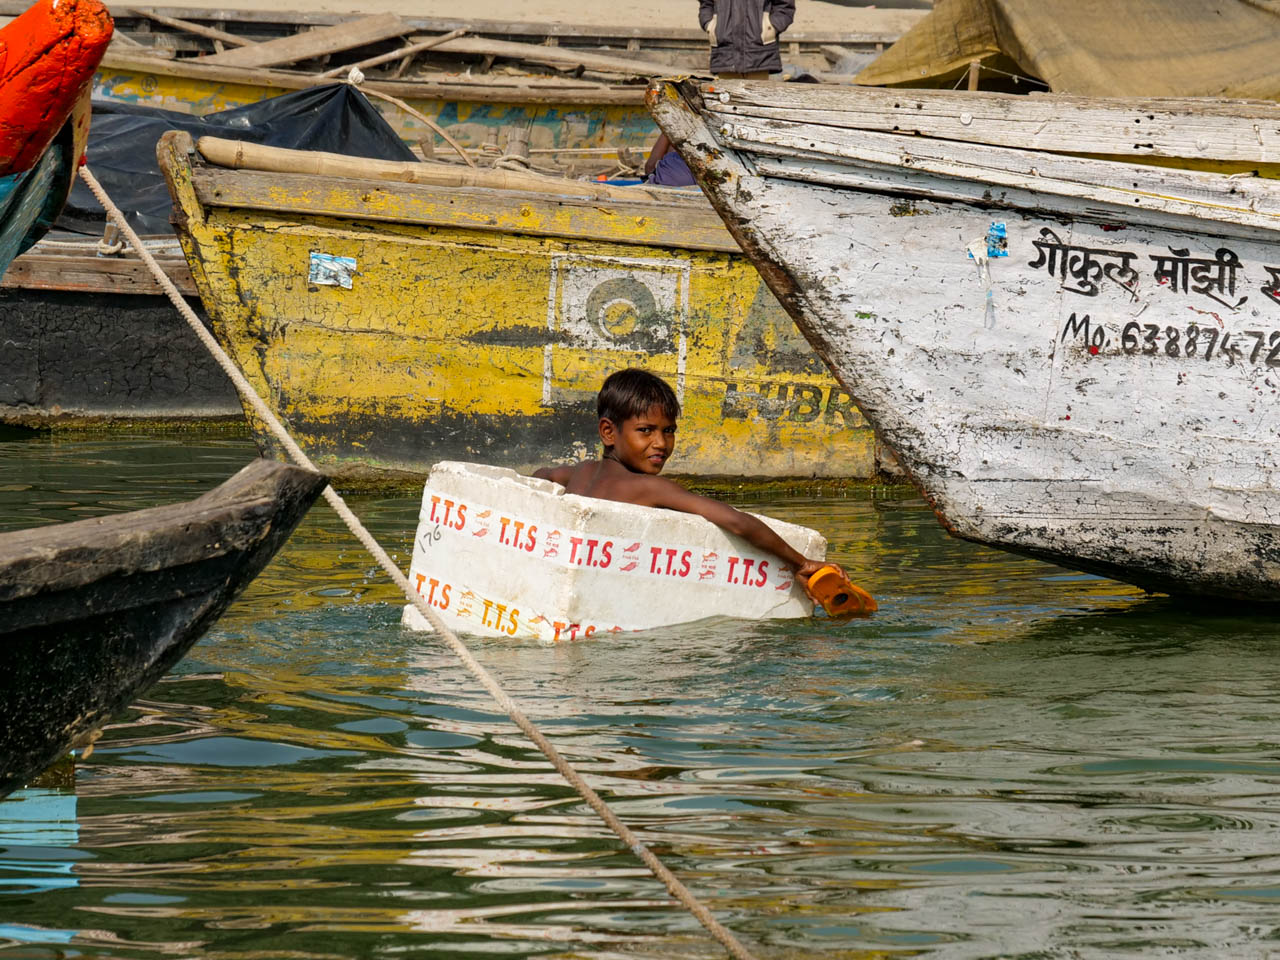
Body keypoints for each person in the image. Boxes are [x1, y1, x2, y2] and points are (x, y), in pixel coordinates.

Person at [533, 368, 838, 602]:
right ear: (608, 432)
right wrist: (800, 561)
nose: (660, 443)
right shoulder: (649, 489)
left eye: (668, 431)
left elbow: (541, 475)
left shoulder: (579, 473)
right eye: (645, 430)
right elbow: (735, 521)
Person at [699, 0, 796, 79]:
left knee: (757, 100)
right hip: (725, 51)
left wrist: (770, 27)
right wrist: (710, 26)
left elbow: (785, 5)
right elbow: (706, 3)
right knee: (727, 99)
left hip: (759, 50)